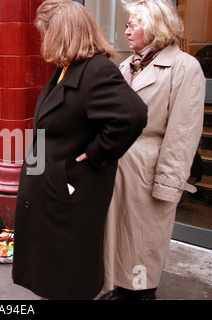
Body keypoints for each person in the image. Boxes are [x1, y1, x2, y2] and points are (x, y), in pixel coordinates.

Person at [12, 0, 148, 300]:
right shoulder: (67, 68)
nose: (43, 39)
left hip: (71, 193)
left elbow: (132, 115)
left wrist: (97, 153)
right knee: (53, 272)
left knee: (69, 275)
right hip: (55, 191)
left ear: (62, 33)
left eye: (45, 32)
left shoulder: (96, 69)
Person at [101, 0, 206, 300]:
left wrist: (168, 185)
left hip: (150, 170)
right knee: (120, 239)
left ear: (156, 27)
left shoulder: (185, 68)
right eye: (127, 23)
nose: (127, 30)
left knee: (144, 243)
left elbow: (183, 135)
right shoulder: (126, 65)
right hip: (120, 170)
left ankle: (142, 294)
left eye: (134, 24)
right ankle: (122, 288)